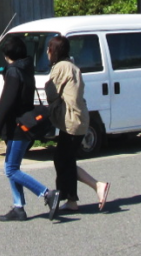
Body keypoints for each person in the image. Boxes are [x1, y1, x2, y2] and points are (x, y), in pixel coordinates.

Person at [0, 35, 59, 221]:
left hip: (19, 127)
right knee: (12, 166)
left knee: (10, 169)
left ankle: (47, 194)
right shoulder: (25, 68)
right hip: (25, 124)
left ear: (7, 54)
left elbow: (5, 103)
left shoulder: (13, 73)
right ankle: (18, 207)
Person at [46, 35, 110, 214]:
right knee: (65, 160)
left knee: (62, 160)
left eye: (49, 49)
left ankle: (97, 185)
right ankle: (72, 200)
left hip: (71, 120)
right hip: (80, 118)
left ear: (54, 51)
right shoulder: (73, 66)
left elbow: (51, 93)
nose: (47, 52)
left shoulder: (60, 67)